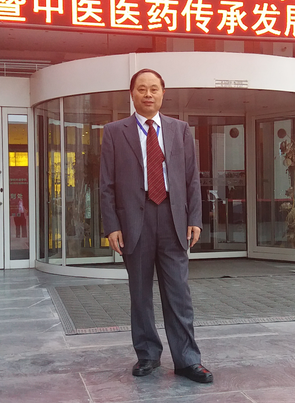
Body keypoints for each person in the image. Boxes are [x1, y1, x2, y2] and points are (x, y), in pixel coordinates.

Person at [100, 68, 213, 384]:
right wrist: (111, 225)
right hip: (133, 221)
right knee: (140, 293)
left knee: (179, 293)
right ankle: (148, 355)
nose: (148, 94)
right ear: (132, 94)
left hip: (173, 218)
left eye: (154, 89)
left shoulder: (180, 130)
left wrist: (194, 218)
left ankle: (187, 360)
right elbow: (106, 184)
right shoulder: (114, 132)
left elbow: (191, 179)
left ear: (163, 93)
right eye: (141, 89)